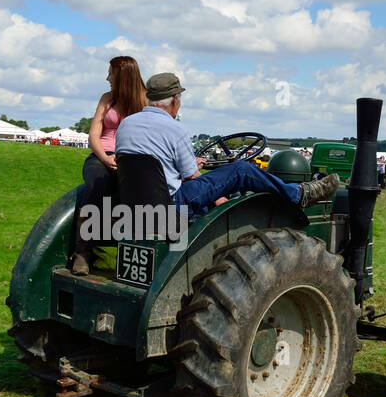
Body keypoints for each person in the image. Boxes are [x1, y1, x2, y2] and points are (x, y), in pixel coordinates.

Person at [115, 72, 339, 220]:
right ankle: (298, 194)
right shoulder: (176, 130)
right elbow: (193, 177)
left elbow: (149, 166)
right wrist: (217, 195)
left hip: (135, 206)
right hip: (172, 205)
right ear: (175, 99)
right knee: (241, 169)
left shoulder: (126, 125)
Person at [71, 55, 147, 274]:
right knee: (97, 183)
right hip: (101, 156)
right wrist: (105, 158)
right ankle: (82, 253)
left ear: (123, 76)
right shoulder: (107, 98)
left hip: (130, 158)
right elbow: (94, 135)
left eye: (110, 73)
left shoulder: (144, 101)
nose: (107, 78)